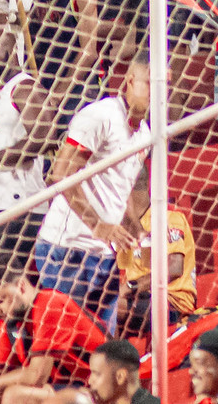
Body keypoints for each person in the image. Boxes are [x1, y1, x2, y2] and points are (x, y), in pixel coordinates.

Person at [34, 63, 154, 333]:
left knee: (101, 344)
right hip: (66, 249)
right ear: (130, 81)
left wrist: (136, 230)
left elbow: (118, 192)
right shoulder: (101, 116)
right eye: (150, 83)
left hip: (103, 254)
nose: (158, 92)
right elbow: (61, 173)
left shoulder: (144, 133)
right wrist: (98, 225)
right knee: (66, 342)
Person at [0, 270, 109, 396]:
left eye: (0, 301)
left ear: (20, 286)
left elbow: (37, 376)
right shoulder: (10, 318)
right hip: (61, 387)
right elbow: (0, 371)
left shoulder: (48, 303)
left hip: (97, 388)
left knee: (15, 395)